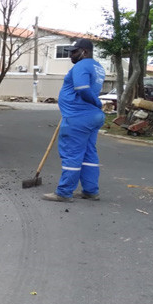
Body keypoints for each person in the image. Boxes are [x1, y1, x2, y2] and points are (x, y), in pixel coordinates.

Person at [43, 38, 106, 202]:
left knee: (72, 154)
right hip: (91, 117)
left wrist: (97, 102)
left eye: (74, 51)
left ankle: (64, 192)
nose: (71, 55)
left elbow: (82, 88)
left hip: (78, 117)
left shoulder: (81, 66)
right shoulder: (98, 67)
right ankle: (91, 191)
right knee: (89, 153)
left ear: (84, 51)